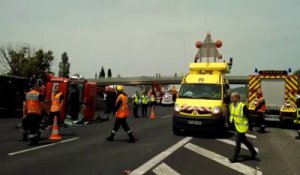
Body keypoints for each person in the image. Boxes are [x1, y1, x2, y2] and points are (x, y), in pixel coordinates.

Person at [228, 92, 258, 163]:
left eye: (232, 98)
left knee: (238, 142)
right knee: (244, 141)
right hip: (236, 126)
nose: (231, 99)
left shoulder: (243, 106)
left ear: (237, 98)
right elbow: (231, 115)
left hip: (242, 127)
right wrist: (228, 122)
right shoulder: (232, 105)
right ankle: (253, 152)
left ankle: (235, 158)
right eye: (231, 98)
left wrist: (250, 128)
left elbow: (249, 117)